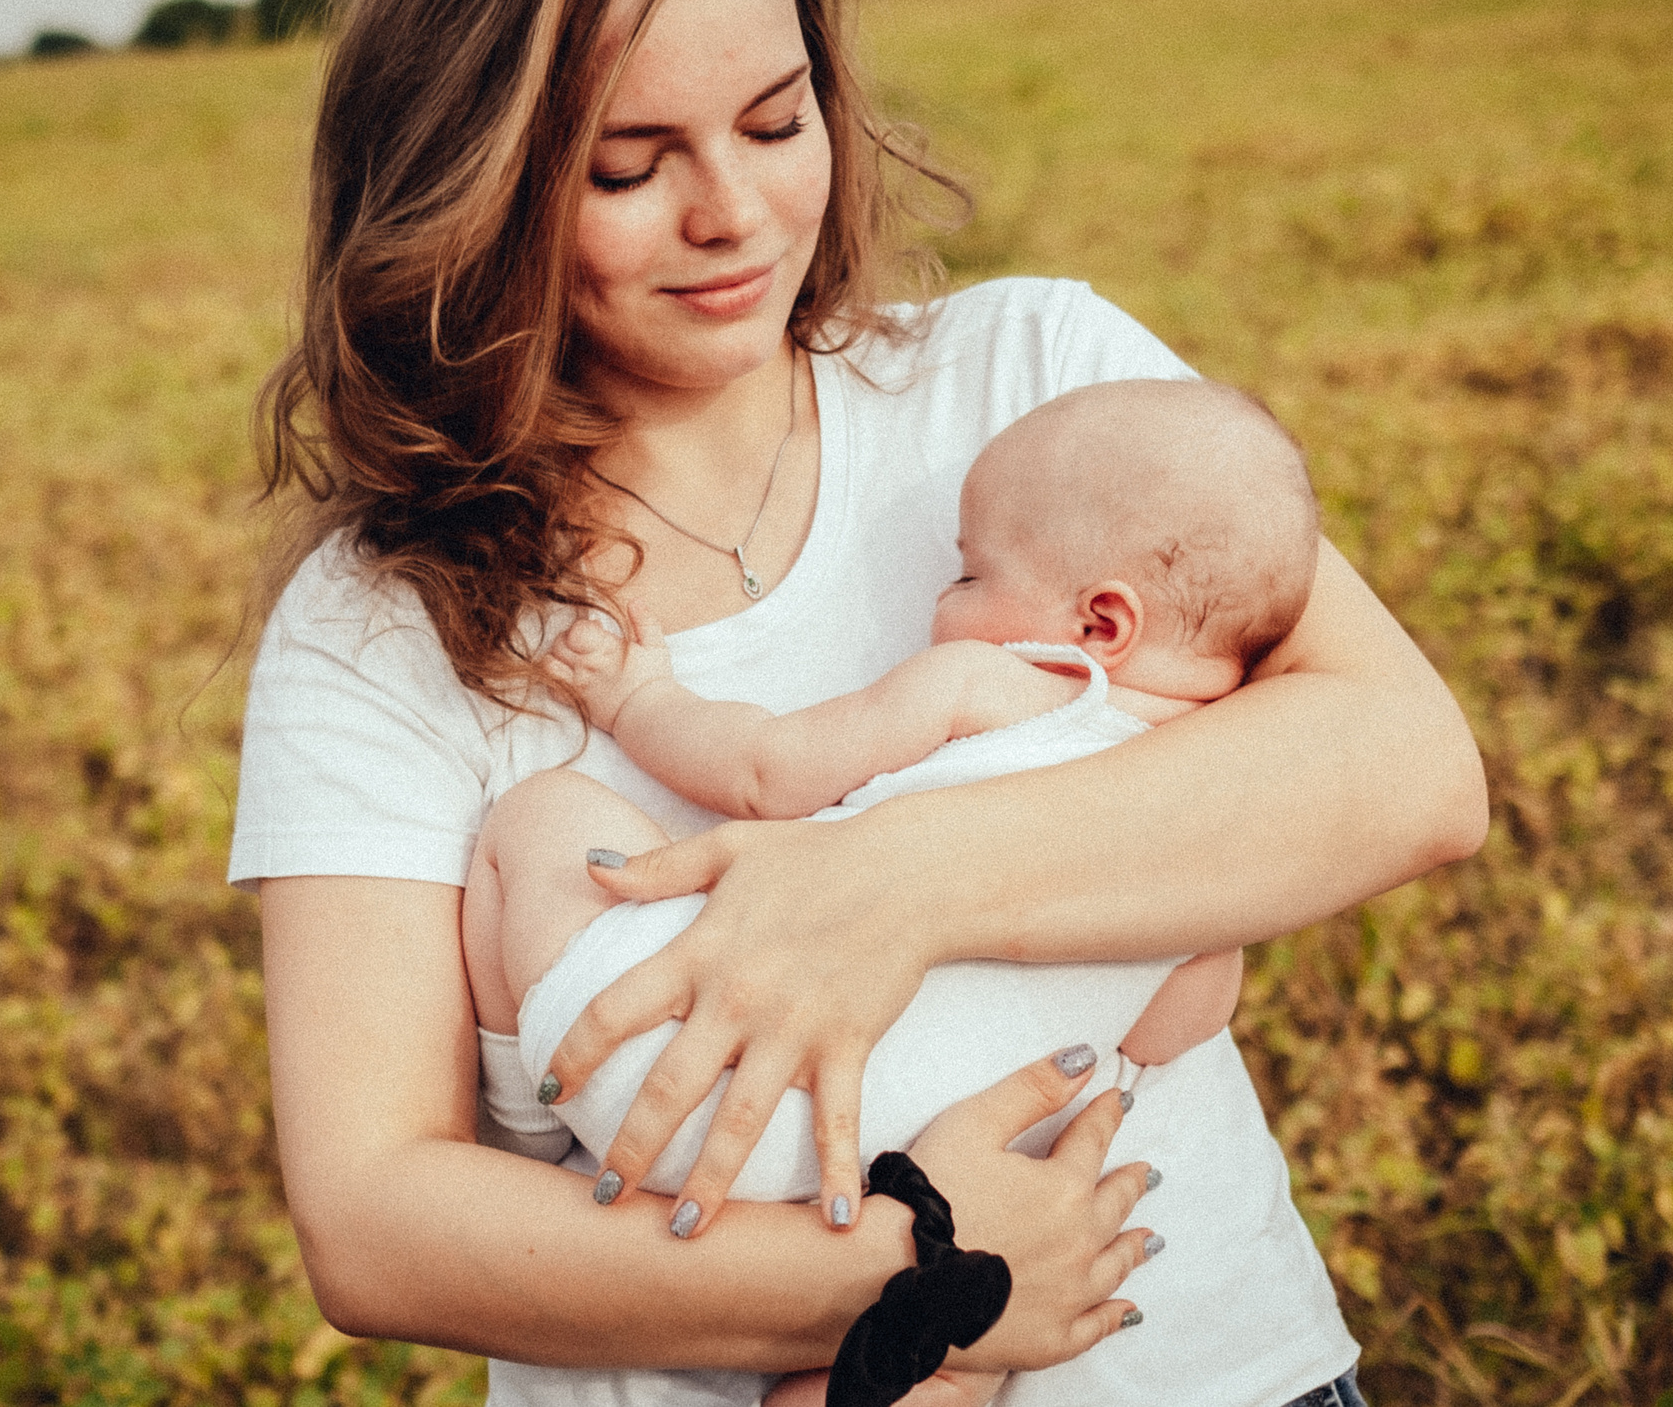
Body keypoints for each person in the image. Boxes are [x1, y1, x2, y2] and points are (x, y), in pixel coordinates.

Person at [232, 0, 1486, 1407]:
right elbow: (378, 1219)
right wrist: (924, 1276)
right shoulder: (378, 620)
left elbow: (1409, 770)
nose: (735, 212)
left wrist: (883, 884)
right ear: (474, 177)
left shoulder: (1045, 395)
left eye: (775, 118)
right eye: (628, 166)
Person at [469, 376, 1318, 1407]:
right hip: (916, 1179)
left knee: (539, 820)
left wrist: (636, 694)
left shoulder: (993, 686)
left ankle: (530, 1114)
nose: (942, 603)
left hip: (686, 1066)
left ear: (1099, 623)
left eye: (969, 574)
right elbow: (1184, 1019)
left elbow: (766, 773)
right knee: (944, 1364)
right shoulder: (1215, 832)